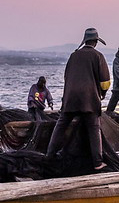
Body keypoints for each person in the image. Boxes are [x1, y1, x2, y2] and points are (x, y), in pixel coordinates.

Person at [45, 28, 111, 170]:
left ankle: (49, 155)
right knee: (94, 128)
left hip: (70, 99)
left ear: (85, 41)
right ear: (95, 42)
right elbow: (105, 82)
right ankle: (98, 163)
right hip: (89, 100)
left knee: (61, 125)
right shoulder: (98, 56)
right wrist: (102, 94)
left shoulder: (73, 56)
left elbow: (66, 76)